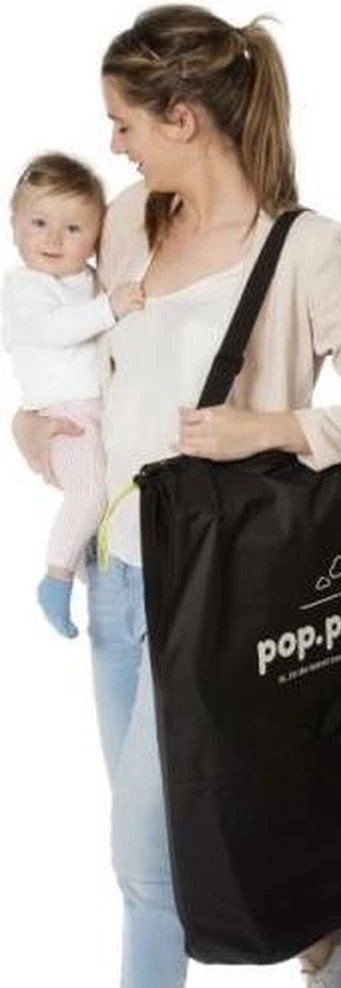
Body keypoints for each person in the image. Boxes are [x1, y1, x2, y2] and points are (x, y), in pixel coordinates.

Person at [11, 4, 341, 988]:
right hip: (116, 578)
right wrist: (31, 427)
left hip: (223, 598)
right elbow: (76, 365)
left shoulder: (305, 249)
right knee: (184, 834)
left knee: (145, 859)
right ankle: (327, 935)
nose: (114, 145)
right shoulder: (125, 224)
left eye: (125, 123)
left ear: (182, 117)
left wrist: (271, 426)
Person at [2, 152, 145, 638]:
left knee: (105, 493)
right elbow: (55, 329)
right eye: (39, 223)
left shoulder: (85, 279)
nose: (53, 239)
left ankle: (82, 565)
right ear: (14, 226)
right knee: (88, 493)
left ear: (96, 236)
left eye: (73, 228)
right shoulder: (25, 287)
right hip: (64, 415)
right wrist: (111, 306)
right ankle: (56, 578)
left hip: (96, 410)